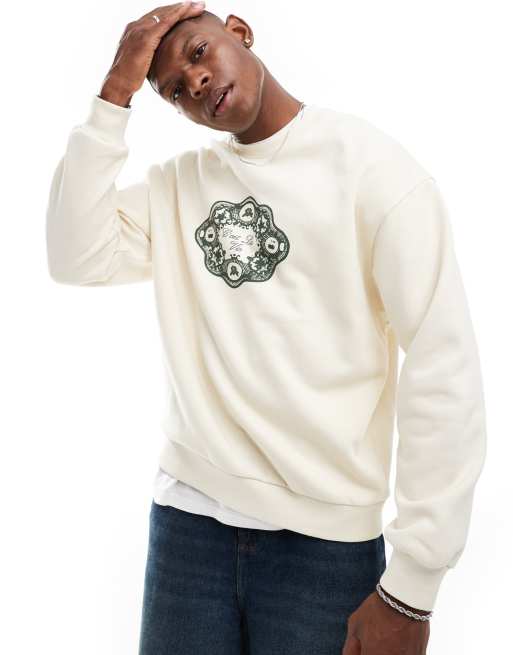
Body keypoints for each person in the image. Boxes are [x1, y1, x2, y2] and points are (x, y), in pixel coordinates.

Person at [45, 2, 487, 653]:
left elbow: (443, 368)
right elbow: (73, 253)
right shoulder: (181, 188)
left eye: (198, 54)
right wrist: (115, 91)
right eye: (173, 90)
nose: (195, 82)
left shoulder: (372, 170)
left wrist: (412, 588)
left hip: (324, 545)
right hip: (188, 527)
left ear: (239, 32)